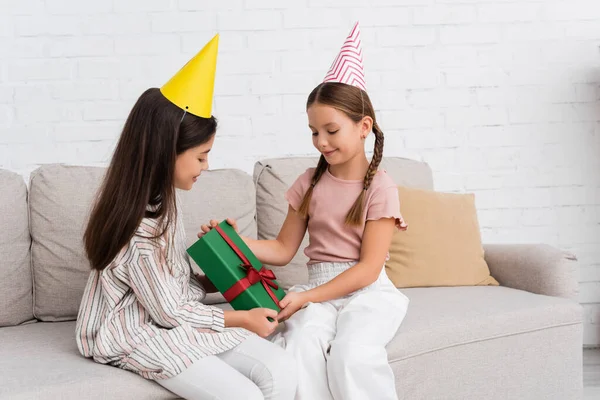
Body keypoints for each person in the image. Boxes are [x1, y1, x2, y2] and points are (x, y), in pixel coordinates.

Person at [75, 34, 297, 400]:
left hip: (173, 316)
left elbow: (172, 289)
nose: (206, 166)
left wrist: (217, 269)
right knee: (243, 395)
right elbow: (168, 311)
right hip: (135, 330)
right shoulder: (137, 234)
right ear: (167, 152)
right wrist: (240, 317)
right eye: (201, 156)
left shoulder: (164, 204)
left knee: (283, 367)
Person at [201, 23, 409, 400]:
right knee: (300, 342)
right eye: (314, 132)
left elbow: (368, 269)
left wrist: (310, 298)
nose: (321, 141)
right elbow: (282, 249)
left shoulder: (381, 187)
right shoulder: (309, 183)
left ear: (364, 127)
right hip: (318, 288)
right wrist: (232, 242)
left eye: (331, 130)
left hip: (367, 292)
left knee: (351, 354)